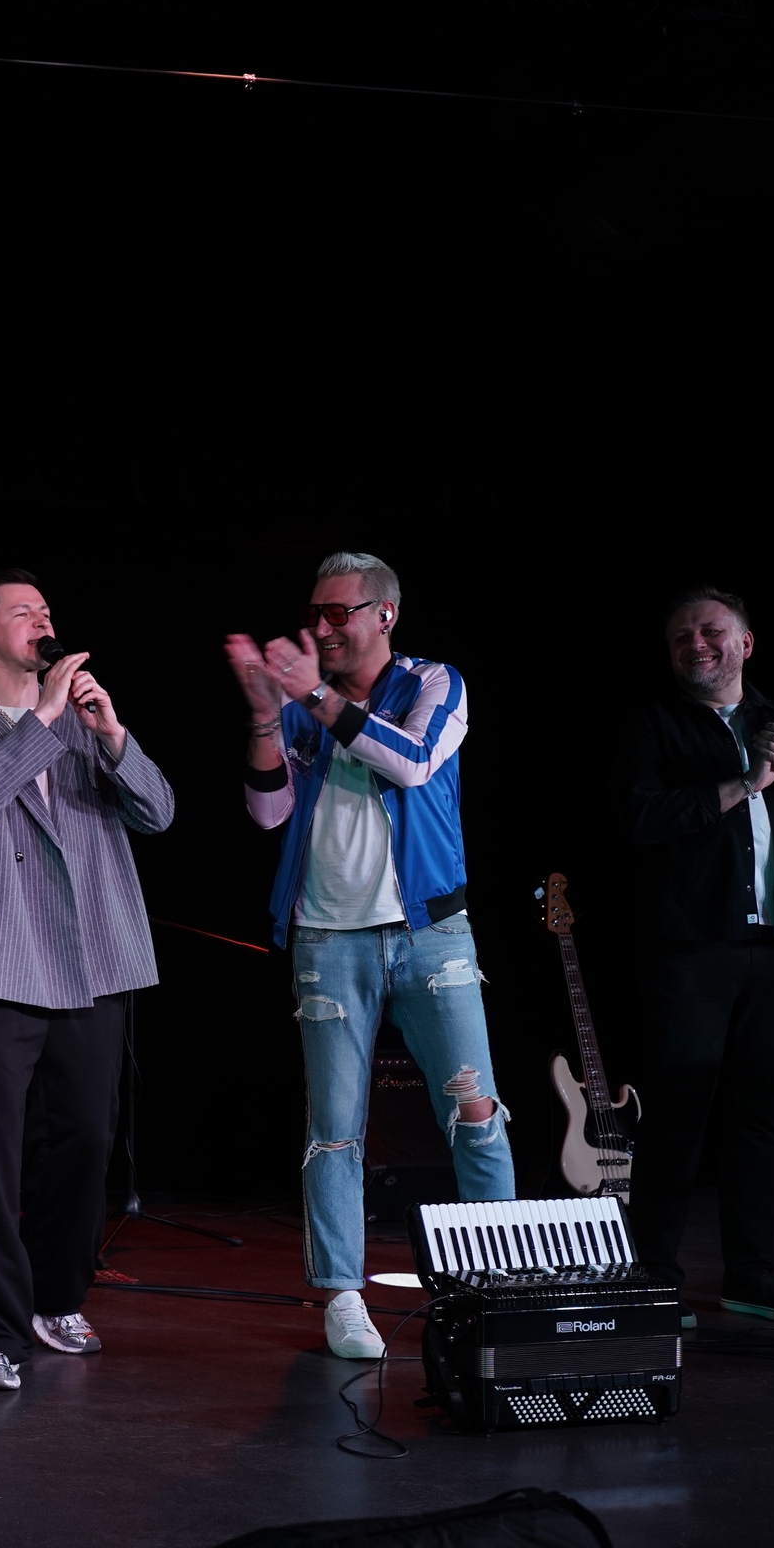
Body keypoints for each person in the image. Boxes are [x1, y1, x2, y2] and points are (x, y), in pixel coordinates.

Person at [224, 551, 516, 1360]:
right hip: (329, 937)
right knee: (335, 1128)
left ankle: (497, 1283)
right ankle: (344, 1296)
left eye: (337, 612)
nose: (321, 628)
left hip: (431, 933)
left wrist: (313, 699)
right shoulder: (301, 703)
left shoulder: (432, 683)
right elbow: (267, 812)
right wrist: (265, 715)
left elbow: (414, 761)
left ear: (384, 613)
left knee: (476, 1110)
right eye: (313, 613)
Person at [0, 571, 175, 1392]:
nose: (41, 621)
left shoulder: (87, 723)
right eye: (23, 612)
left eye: (47, 610)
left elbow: (159, 812)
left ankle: (56, 1296)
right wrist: (43, 719)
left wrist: (113, 734)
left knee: (87, 1139)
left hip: (93, 958)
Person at [622, 588, 774, 1326]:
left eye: (711, 631)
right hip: (695, 946)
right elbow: (638, 816)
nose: (696, 645)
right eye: (681, 637)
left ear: (746, 643)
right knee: (676, 1113)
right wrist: (740, 785)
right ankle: (655, 1279)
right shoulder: (654, 723)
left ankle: (751, 1278)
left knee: (762, 1114)